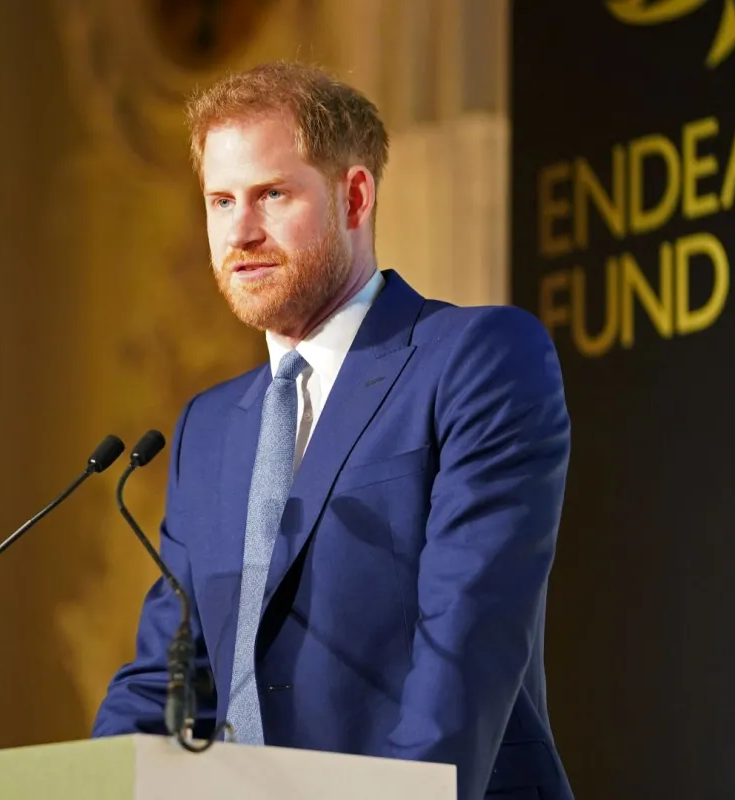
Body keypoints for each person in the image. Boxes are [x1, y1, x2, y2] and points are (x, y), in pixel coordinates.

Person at [92, 60, 573, 800]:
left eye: (271, 195)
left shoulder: (477, 359)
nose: (239, 231)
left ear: (354, 196)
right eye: (220, 201)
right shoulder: (209, 427)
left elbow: (466, 644)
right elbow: (165, 678)